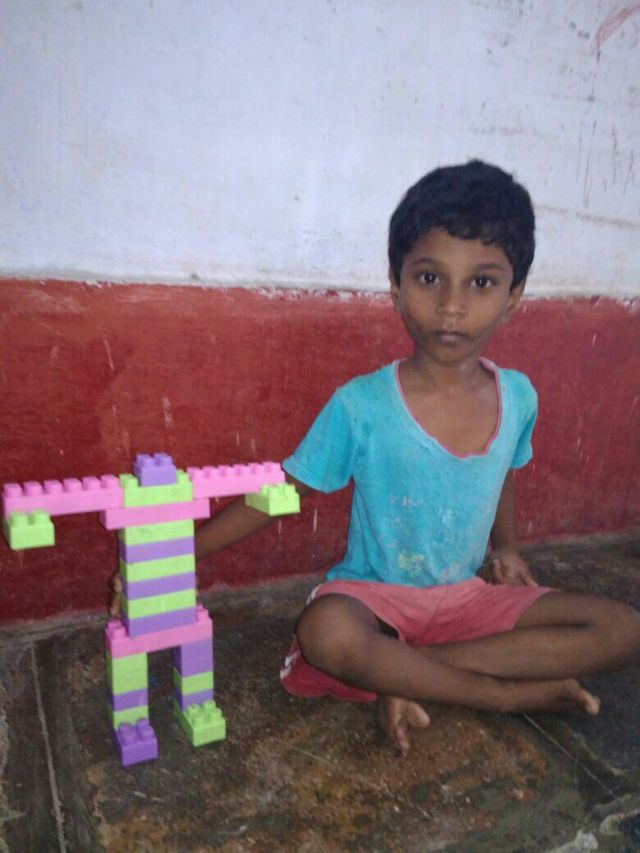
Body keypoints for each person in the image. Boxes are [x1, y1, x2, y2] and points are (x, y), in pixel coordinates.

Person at [114, 160, 640, 754]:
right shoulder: (361, 405)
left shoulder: (517, 396)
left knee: (621, 630)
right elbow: (282, 492)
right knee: (326, 632)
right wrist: (172, 558)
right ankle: (496, 693)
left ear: (514, 296)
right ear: (396, 285)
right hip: (375, 601)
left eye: (482, 283)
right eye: (429, 278)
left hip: (468, 598)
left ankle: (407, 674)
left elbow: (503, 475)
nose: (451, 306)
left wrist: (507, 549)